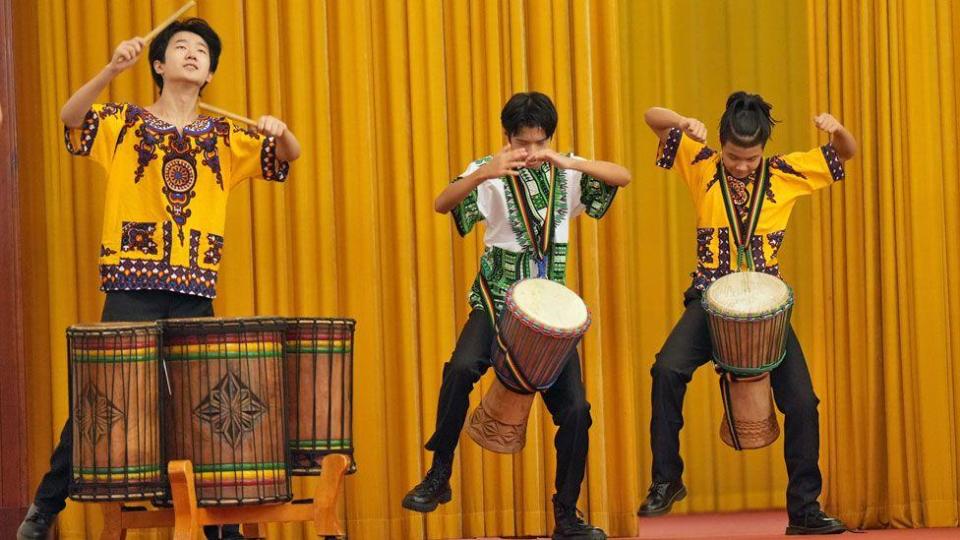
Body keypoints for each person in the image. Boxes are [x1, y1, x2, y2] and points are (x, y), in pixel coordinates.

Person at [17, 18, 300, 540]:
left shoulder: (224, 135)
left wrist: (282, 131)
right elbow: (70, 118)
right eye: (180, 47)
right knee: (100, 399)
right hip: (131, 284)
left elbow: (288, 158)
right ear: (158, 64)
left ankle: (220, 526)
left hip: (194, 290)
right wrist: (109, 69)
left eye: (201, 51)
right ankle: (45, 505)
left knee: (208, 409)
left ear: (210, 71)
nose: (192, 54)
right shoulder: (125, 123)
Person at [403, 91, 630, 540]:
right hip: (497, 300)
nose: (530, 152)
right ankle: (438, 474)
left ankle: (567, 514)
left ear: (549, 137)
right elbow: (441, 203)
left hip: (547, 312)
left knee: (578, 411)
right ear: (507, 137)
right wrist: (481, 174)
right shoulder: (489, 171)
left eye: (539, 142)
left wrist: (573, 163)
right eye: (522, 142)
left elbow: (622, 176)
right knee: (462, 368)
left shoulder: (564, 170)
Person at [636, 92, 855, 536]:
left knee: (803, 403)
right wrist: (683, 118)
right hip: (709, 299)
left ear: (764, 151)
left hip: (765, 308)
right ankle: (667, 478)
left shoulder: (786, 172)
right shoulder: (701, 164)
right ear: (721, 145)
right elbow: (651, 116)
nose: (741, 166)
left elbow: (845, 153)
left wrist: (837, 130)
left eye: (751, 158)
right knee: (666, 369)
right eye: (735, 156)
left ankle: (805, 509)